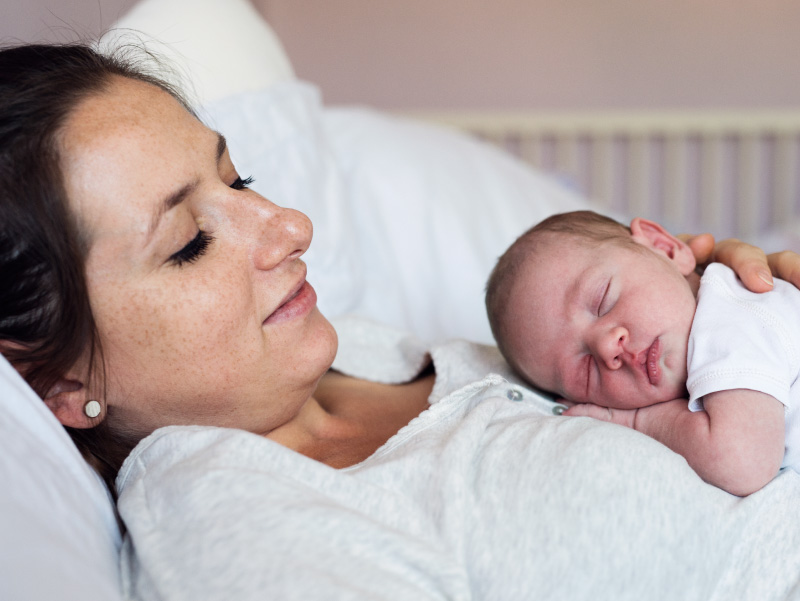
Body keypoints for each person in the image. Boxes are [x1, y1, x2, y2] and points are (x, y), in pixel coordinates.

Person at [4, 43, 800, 599]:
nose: (290, 226)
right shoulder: (237, 522)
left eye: (239, 178)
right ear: (60, 378)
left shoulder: (371, 348)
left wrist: (721, 309)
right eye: (189, 243)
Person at [485, 209, 798, 496]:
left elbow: (741, 460)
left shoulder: (731, 317)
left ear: (663, 246)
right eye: (584, 371)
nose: (608, 348)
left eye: (601, 300)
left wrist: (638, 421)